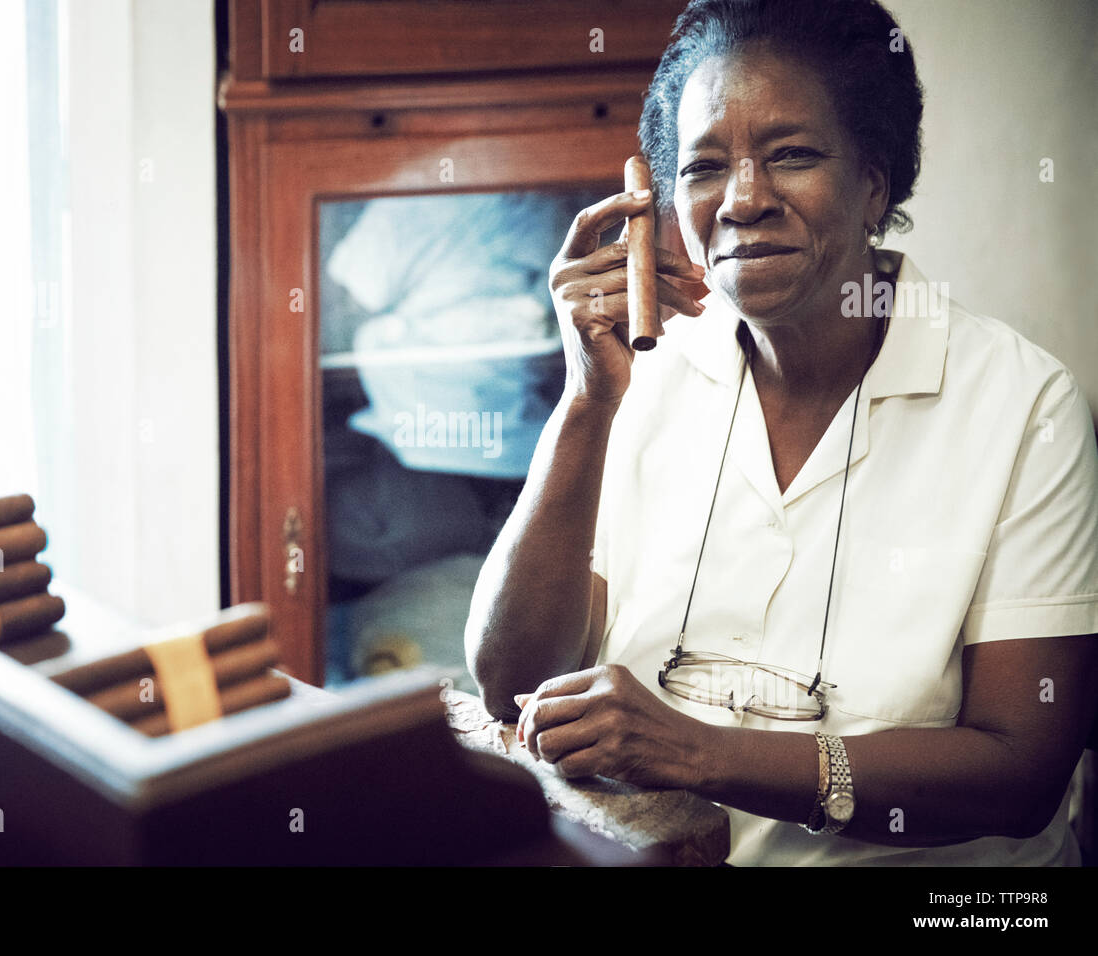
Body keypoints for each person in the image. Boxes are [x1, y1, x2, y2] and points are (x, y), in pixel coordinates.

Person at [465, 0, 1098, 865]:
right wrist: (585, 400)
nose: (744, 200)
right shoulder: (641, 380)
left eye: (791, 155)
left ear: (875, 182)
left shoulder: (1026, 405)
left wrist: (696, 753)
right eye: (704, 168)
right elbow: (511, 685)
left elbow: (1021, 775)